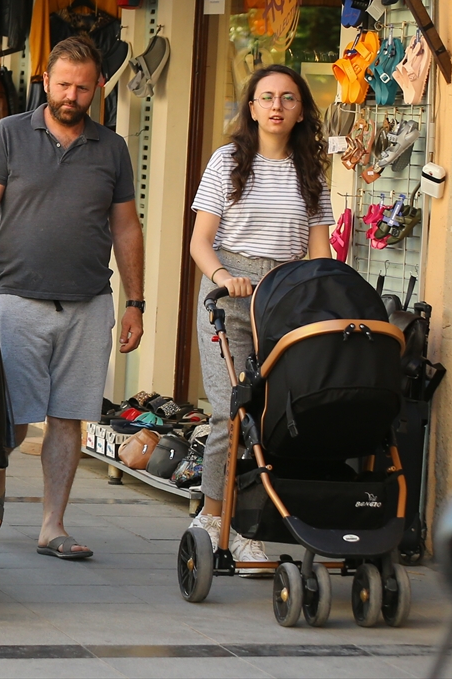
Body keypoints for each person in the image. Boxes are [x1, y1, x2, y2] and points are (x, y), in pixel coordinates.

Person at [0, 36, 146, 560]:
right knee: (13, 415)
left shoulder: (112, 148)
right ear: (45, 80)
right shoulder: (10, 134)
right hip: (18, 297)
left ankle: (52, 525)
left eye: (83, 87)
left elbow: (126, 229)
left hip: (89, 303)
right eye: (63, 84)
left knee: (69, 416)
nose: (72, 95)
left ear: (97, 87)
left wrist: (136, 302)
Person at [187, 64, 334, 567]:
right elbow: (200, 242)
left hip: (287, 300)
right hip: (230, 300)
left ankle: (251, 522)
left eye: (288, 98)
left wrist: (327, 293)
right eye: (266, 97)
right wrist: (224, 275)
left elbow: (320, 253)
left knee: (274, 417)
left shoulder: (310, 169)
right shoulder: (228, 161)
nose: (276, 106)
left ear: (300, 111)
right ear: (251, 107)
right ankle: (213, 517)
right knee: (233, 411)